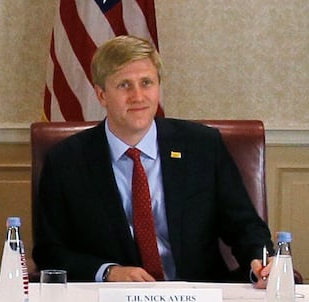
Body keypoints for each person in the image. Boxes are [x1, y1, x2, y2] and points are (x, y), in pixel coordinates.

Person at [32, 35, 273, 288]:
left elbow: (245, 226)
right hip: (113, 301)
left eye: (146, 83)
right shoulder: (67, 160)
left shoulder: (202, 146)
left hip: (197, 298)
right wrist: (109, 272)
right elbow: (50, 250)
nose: (138, 96)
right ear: (101, 95)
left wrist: (259, 260)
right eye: (124, 85)